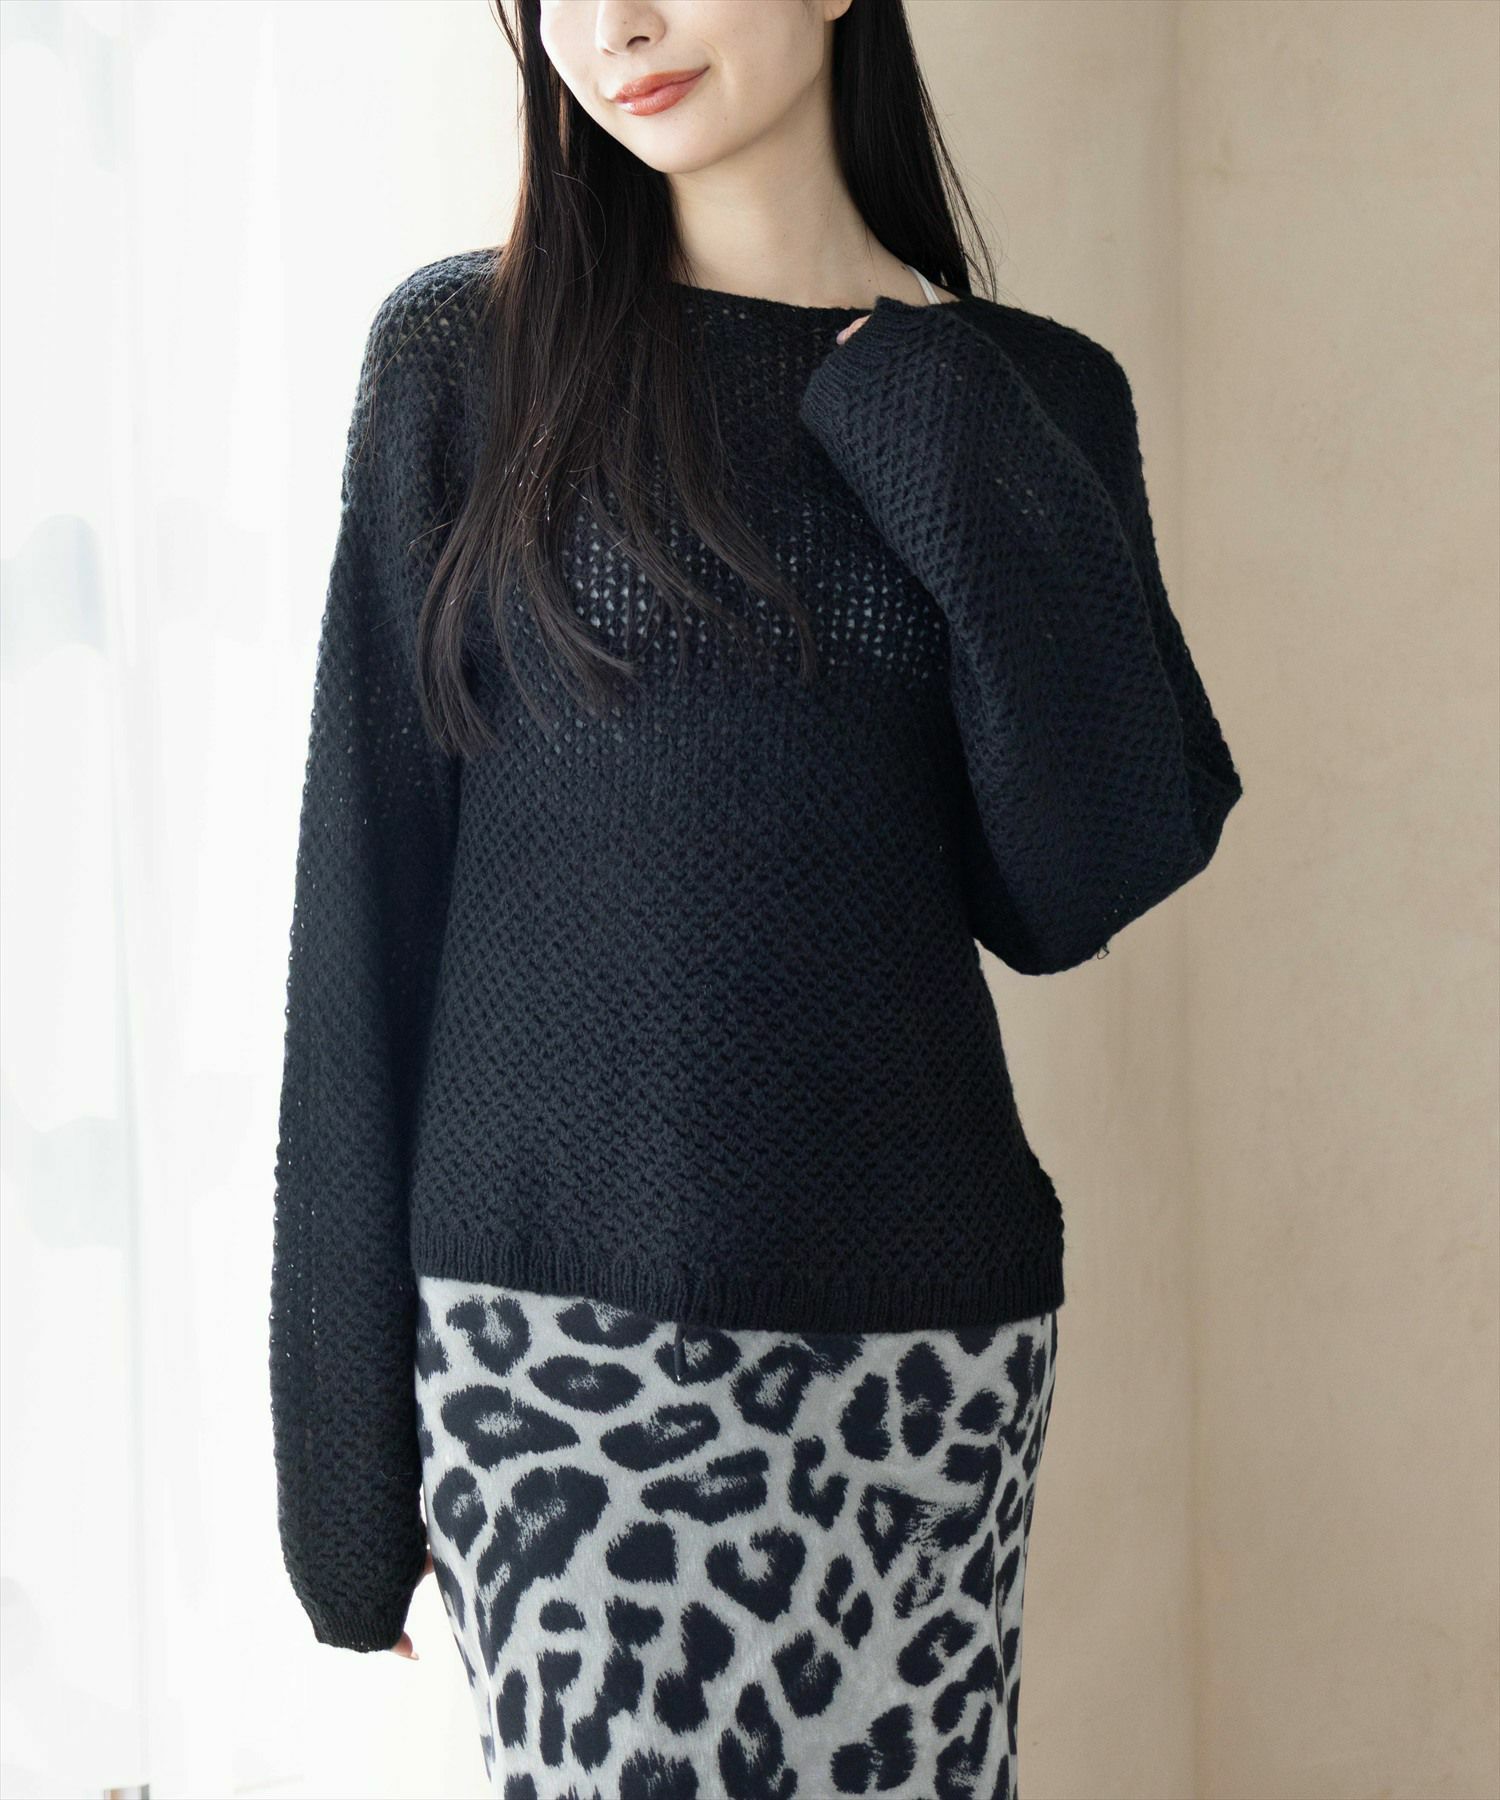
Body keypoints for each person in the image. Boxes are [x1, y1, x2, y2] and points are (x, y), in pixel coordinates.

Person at [268, 2, 1243, 1795]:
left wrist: (933, 408)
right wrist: (343, 1476)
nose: (613, 28)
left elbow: (1084, 872)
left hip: (921, 1368)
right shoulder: (465, 366)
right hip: (563, 1371)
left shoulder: (1027, 396)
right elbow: (361, 918)